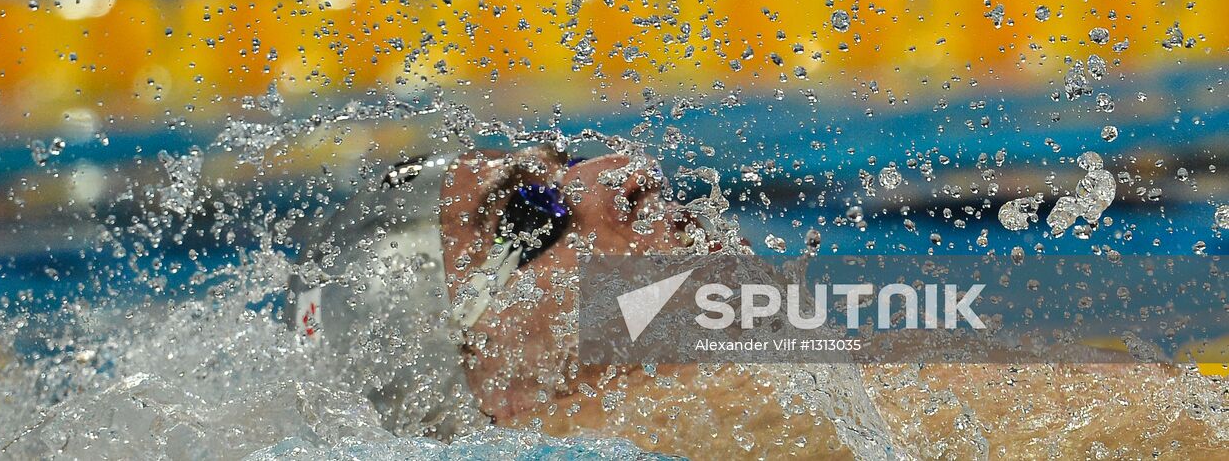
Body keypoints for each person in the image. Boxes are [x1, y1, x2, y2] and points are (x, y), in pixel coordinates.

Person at [291, 146, 1229, 458]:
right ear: (485, 371)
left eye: (564, 159)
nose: (626, 173)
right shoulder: (683, 414)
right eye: (536, 217)